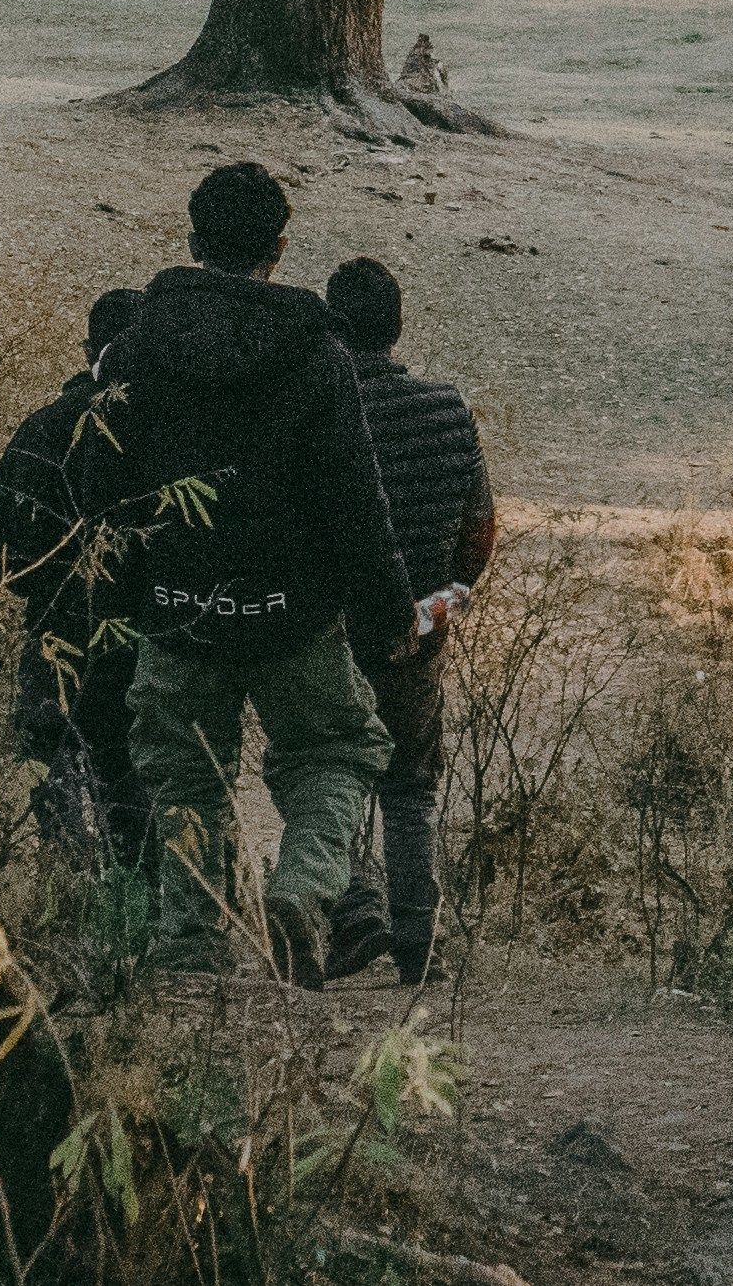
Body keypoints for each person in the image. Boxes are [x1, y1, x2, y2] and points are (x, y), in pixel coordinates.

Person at [68, 161, 417, 975]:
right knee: (335, 750)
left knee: (183, 776)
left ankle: (189, 946)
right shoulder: (317, 353)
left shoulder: (132, 349)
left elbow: (100, 490)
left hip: (174, 604)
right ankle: (301, 885)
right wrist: (388, 612)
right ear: (280, 248)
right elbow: (353, 498)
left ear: (192, 242)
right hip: (295, 612)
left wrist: (117, 602)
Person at [322, 254, 497, 985]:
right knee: (410, 787)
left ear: (333, 327)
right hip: (417, 628)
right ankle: (416, 942)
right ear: (398, 328)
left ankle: (353, 907)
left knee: (327, 770)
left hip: (328, 627)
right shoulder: (445, 409)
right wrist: (444, 599)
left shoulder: (321, 408)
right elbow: (480, 524)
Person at [0, 284, 149, 862]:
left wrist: (41, 584)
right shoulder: (161, 429)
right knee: (131, 787)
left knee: (50, 767)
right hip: (138, 637)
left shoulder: (46, 426)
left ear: (86, 349)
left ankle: (67, 898)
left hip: (52, 630)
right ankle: (138, 912)